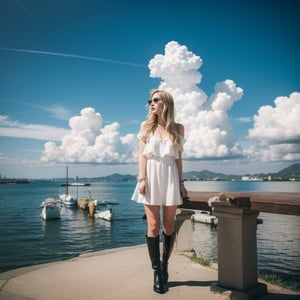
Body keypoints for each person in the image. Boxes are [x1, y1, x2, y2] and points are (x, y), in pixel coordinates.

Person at [131, 89, 187, 294]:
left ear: (166, 103)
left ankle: (165, 265)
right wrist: (142, 178)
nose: (151, 104)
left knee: (169, 226)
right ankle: (156, 272)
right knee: (153, 226)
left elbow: (179, 158)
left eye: (155, 100)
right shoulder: (146, 126)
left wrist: (181, 182)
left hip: (171, 175)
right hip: (151, 175)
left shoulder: (179, 128)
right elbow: (142, 156)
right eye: (150, 101)